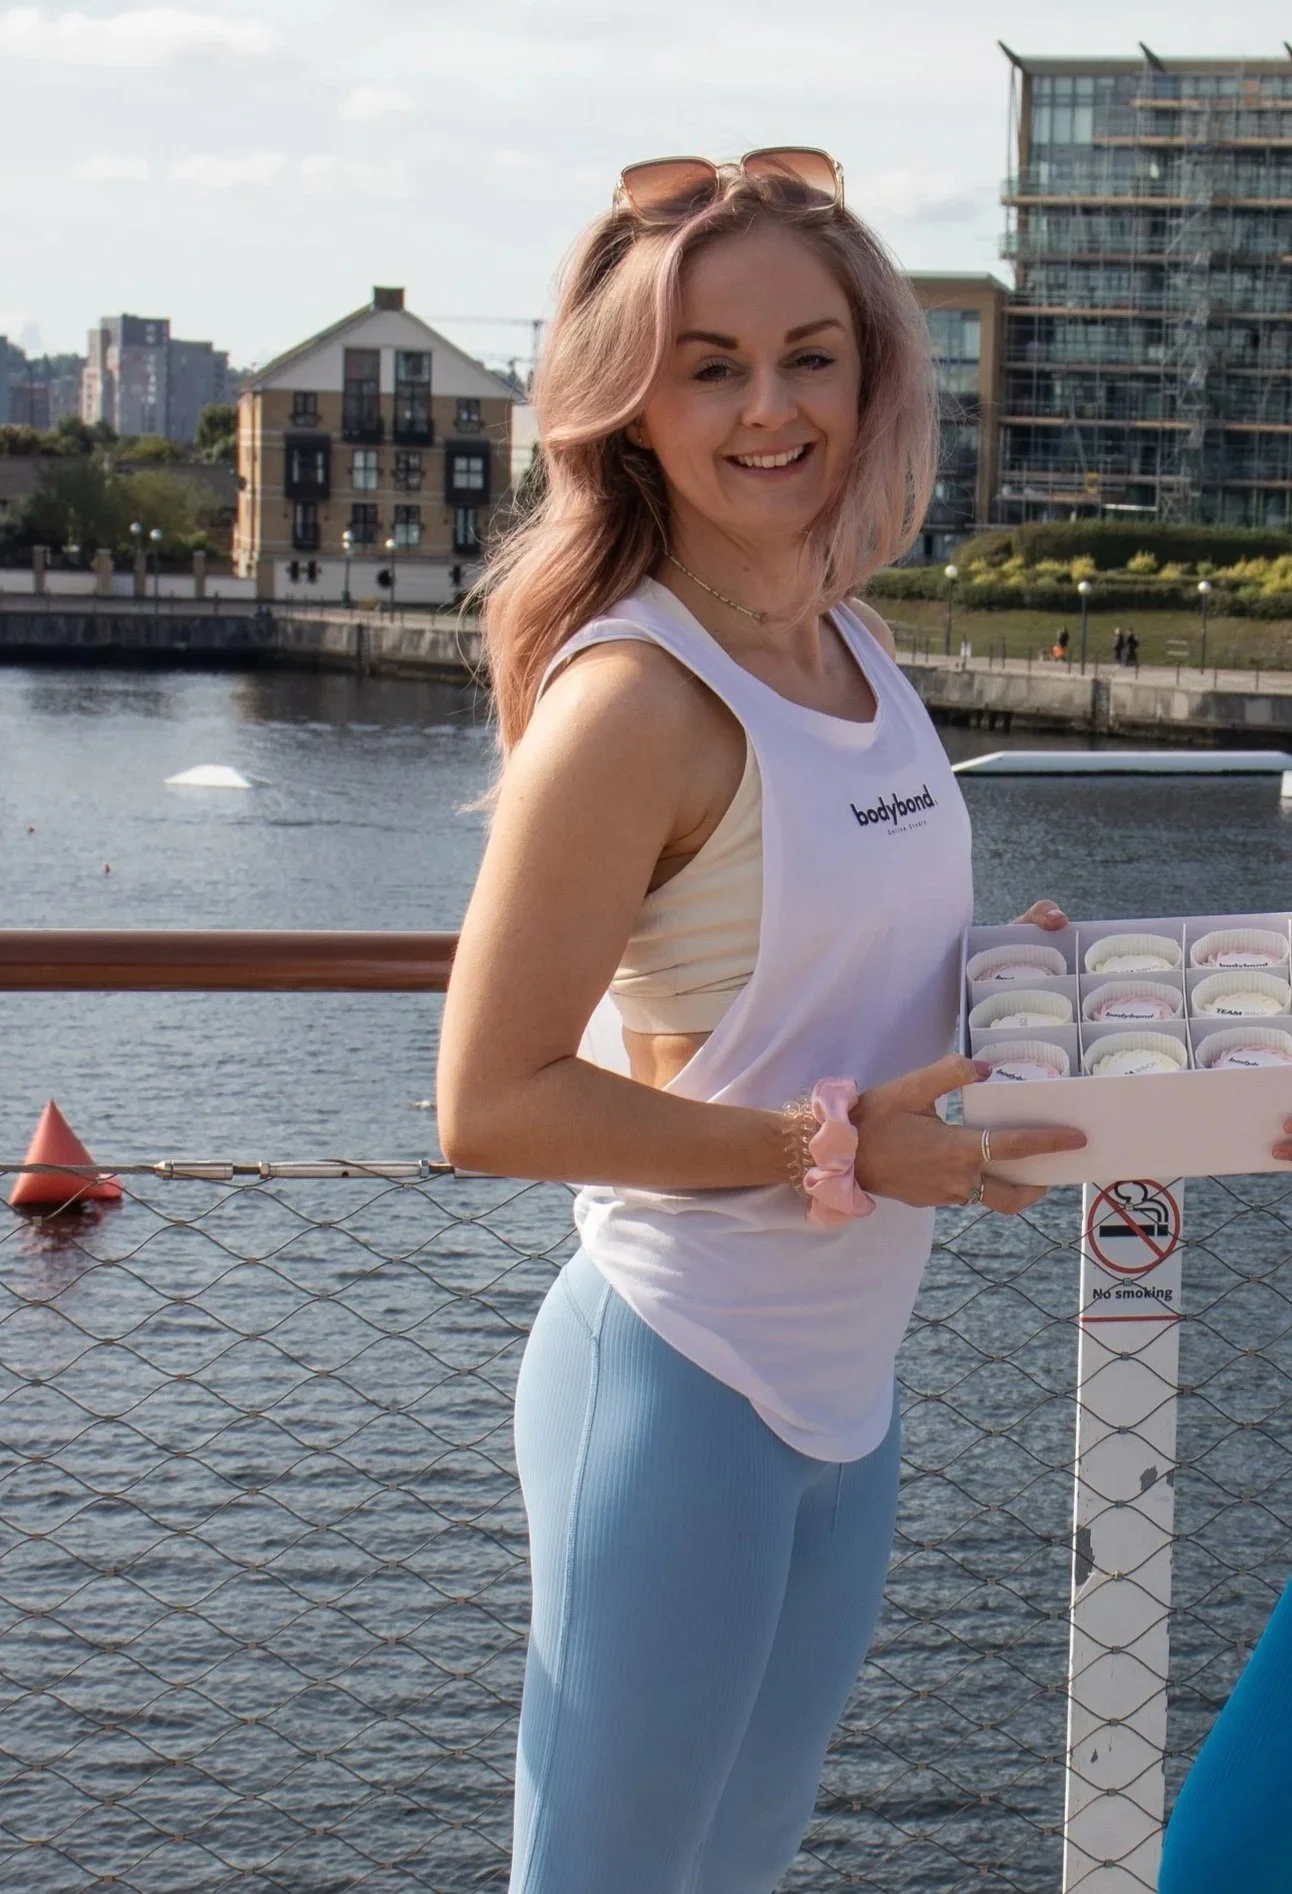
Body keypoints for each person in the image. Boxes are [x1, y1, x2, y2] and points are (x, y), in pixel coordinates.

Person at [437, 148, 1086, 1894]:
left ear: (874, 375)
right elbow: (490, 1100)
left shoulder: (852, 648)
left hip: (846, 1396)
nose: (770, 408)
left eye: (811, 355)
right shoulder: (634, 700)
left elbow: (826, 971)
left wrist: (1014, 990)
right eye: (709, 367)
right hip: (678, 1377)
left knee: (736, 1868)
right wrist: (833, 1146)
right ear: (630, 406)